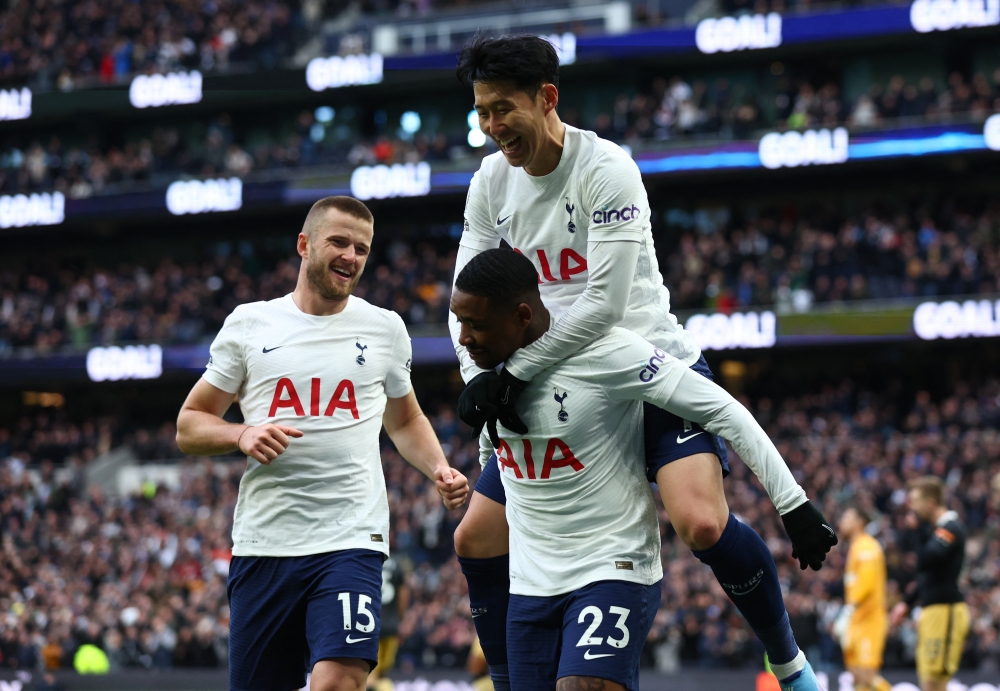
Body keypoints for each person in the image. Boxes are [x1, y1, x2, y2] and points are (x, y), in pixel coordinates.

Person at [447, 34, 836, 691]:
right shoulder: (490, 183)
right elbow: (466, 301)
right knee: (476, 536)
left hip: (645, 363)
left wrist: (513, 373)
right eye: (481, 111)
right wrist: (479, 378)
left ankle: (788, 661)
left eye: (502, 109)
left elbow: (604, 306)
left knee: (702, 522)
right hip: (551, 380)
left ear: (547, 99)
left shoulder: (607, 169)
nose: (491, 127)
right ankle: (511, 679)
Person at [451, 248, 825, 691]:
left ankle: (789, 666)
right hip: (533, 584)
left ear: (521, 315)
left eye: (475, 325)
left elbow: (722, 409)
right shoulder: (489, 385)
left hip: (612, 566)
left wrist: (793, 503)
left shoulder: (608, 354)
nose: (463, 338)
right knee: (471, 538)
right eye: (460, 324)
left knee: (583, 685)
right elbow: (498, 453)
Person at [175, 195, 469, 691]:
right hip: (265, 544)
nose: (351, 256)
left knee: (337, 680)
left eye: (361, 248)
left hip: (350, 539)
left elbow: (404, 419)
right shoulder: (250, 324)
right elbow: (190, 424)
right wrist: (241, 432)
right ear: (303, 245)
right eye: (338, 242)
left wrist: (438, 467)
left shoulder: (385, 329)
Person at [889, 477, 969, 691]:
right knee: (928, 681)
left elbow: (925, 561)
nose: (911, 507)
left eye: (914, 501)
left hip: (946, 611)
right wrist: (906, 603)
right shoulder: (935, 531)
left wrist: (917, 529)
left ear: (931, 503)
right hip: (932, 611)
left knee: (934, 681)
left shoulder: (951, 528)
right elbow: (927, 576)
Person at [835, 507, 890, 691]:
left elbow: (866, 583)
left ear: (859, 523)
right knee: (857, 676)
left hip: (869, 619)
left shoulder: (867, 546)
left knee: (866, 676)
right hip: (857, 620)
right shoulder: (856, 546)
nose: (842, 521)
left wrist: (847, 611)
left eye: (847, 517)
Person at [367, 557, 408, 691]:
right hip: (391, 624)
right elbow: (403, 595)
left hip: (370, 623)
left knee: (370, 672)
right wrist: (400, 620)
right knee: (384, 672)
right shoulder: (397, 564)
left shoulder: (369, 558)